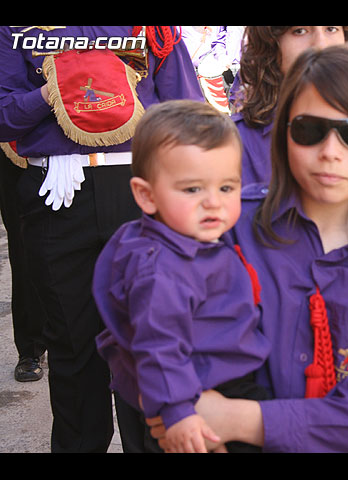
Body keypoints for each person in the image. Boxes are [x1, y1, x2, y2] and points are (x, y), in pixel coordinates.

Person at [147, 44, 348, 453]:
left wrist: (234, 419)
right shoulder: (223, 228)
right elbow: (143, 331)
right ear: (284, 135)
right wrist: (174, 407)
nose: (330, 152)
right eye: (310, 130)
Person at [0, 26, 203, 453]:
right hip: (56, 193)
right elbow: (3, 116)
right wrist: (55, 90)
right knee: (72, 347)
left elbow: (188, 111)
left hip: (139, 185)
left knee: (147, 343)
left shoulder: (148, 29)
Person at [93, 100, 270, 453]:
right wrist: (177, 411)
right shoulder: (160, 268)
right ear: (146, 195)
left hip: (215, 381)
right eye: (192, 189)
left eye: (227, 187)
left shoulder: (185, 239)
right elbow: (158, 345)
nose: (213, 202)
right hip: (192, 396)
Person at [230, 26, 348, 187]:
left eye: (331, 29)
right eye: (300, 31)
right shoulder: (236, 144)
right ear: (271, 44)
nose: (321, 45)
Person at [0, 146, 47, 382]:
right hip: (13, 147)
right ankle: (31, 347)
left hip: (81, 136)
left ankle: (102, 349)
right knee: (23, 251)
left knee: (92, 248)